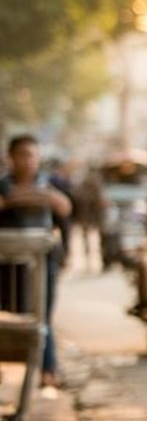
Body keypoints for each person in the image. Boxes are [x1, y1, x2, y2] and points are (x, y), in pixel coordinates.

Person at [0, 135, 73, 388]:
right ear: (12, 157)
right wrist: (25, 198)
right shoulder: (3, 184)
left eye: (32, 155)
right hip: (7, 265)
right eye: (22, 155)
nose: (28, 161)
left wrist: (28, 197)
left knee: (43, 316)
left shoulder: (48, 183)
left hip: (42, 263)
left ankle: (48, 370)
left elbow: (64, 207)